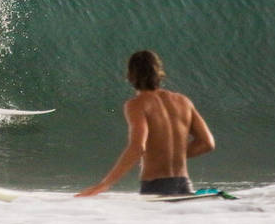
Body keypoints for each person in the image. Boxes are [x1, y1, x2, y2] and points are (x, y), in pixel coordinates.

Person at [77, 49, 215, 197]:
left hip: (155, 187)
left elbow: (138, 147)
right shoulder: (183, 101)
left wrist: (104, 184)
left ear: (131, 75)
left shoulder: (137, 104)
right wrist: (172, 155)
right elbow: (207, 143)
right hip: (183, 184)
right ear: (159, 72)